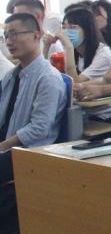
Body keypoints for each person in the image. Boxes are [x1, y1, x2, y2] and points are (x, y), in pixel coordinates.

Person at [0, 13, 68, 185]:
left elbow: (39, 128)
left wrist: (3, 146)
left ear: (36, 35)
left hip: (29, 153)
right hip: (8, 147)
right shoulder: (11, 76)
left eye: (14, 34)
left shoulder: (47, 78)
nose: (9, 42)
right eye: (6, 36)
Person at [43, 6, 111, 84]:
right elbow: (47, 75)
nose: (66, 32)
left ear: (87, 30)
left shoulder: (103, 55)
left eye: (72, 27)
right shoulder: (77, 52)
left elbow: (74, 84)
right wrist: (46, 46)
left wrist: (69, 47)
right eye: (63, 27)